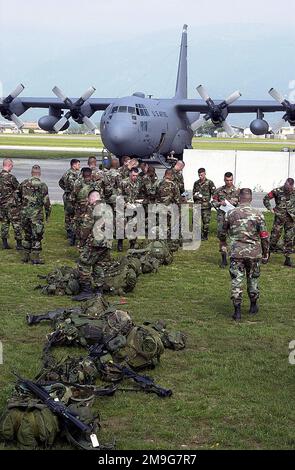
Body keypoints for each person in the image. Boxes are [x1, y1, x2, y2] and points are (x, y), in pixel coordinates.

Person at [223, 188, 269, 321]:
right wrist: (266, 253)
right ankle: (253, 305)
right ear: (251, 199)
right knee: (253, 279)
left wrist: (223, 242)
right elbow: (264, 236)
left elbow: (222, 232)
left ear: (239, 198)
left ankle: (237, 311)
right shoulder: (258, 214)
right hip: (254, 253)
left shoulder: (231, 213)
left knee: (237, 281)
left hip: (237, 252)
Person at [73, 190, 112, 301]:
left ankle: (86, 291)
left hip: (95, 242)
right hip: (107, 242)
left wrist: (81, 241)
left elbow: (86, 226)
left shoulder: (93, 208)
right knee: (99, 265)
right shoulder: (108, 208)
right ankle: (99, 291)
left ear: (91, 199)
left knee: (83, 263)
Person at [19, 165, 51, 264]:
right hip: (36, 215)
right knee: (37, 236)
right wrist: (47, 215)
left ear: (31, 173)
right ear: (39, 173)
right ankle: (35, 257)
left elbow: (17, 196)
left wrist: (22, 207)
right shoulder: (42, 185)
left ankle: (25, 256)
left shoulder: (24, 183)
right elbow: (46, 203)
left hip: (24, 214)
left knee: (27, 234)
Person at [263, 178, 295, 267]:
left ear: (292, 186)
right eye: (286, 187)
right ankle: (266, 255)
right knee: (274, 237)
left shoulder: (294, 191)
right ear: (285, 184)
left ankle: (287, 259)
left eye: (289, 188)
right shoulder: (277, 191)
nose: (288, 189)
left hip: (291, 219)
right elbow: (266, 199)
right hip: (279, 218)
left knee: (289, 239)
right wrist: (270, 208)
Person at [212, 172, 240, 268]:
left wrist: (235, 203)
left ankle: (234, 259)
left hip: (234, 219)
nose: (229, 182)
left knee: (234, 239)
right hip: (222, 218)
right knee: (222, 238)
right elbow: (213, 202)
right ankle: (224, 259)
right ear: (224, 180)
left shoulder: (237, 191)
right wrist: (220, 203)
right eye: (227, 180)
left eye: (231, 180)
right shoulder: (219, 190)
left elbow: (243, 205)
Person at [72, 167, 101, 247]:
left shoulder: (77, 184)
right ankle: (89, 244)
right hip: (91, 210)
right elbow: (100, 197)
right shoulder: (96, 185)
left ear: (82, 174)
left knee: (79, 226)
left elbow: (72, 198)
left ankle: (80, 244)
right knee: (90, 227)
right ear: (91, 175)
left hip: (80, 210)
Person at [0, 158, 22, 250]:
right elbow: (19, 188)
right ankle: (19, 244)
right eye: (12, 165)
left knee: (4, 224)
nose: (12, 167)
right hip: (11, 205)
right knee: (16, 224)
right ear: (9, 165)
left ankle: (4, 243)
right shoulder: (11, 177)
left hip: (2, 205)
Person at [58, 158, 80, 245]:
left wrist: (65, 189)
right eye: (78, 164)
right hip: (71, 197)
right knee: (72, 214)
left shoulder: (66, 173)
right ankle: (71, 233)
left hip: (67, 196)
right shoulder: (73, 174)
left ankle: (69, 231)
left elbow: (60, 182)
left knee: (67, 214)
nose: (79, 166)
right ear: (73, 165)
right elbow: (73, 187)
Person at [119, 167, 142, 250]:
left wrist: (139, 201)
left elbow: (139, 194)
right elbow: (119, 196)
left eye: (136, 175)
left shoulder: (138, 183)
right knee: (121, 226)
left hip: (134, 207)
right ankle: (120, 243)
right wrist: (125, 204)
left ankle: (132, 244)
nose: (134, 177)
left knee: (134, 226)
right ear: (129, 174)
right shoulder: (124, 182)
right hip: (124, 208)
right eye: (133, 175)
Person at [192, 168, 216, 241]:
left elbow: (214, 194)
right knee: (195, 222)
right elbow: (193, 193)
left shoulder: (209, 182)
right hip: (197, 206)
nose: (200, 176)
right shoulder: (196, 183)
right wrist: (196, 196)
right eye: (199, 175)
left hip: (206, 206)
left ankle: (205, 236)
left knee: (206, 222)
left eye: (201, 175)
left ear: (205, 173)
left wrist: (211, 201)